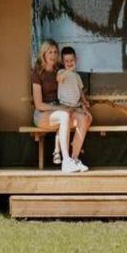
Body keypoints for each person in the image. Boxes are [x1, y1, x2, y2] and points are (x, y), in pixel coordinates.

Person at [31, 39, 88, 173]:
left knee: (84, 118)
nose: (53, 55)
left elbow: (72, 89)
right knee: (64, 116)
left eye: (55, 52)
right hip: (42, 115)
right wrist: (60, 108)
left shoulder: (59, 70)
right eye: (49, 52)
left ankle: (74, 159)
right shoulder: (37, 73)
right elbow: (39, 104)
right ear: (43, 54)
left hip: (62, 110)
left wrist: (82, 104)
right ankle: (66, 161)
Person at [53, 46, 92, 166]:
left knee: (88, 118)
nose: (69, 63)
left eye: (71, 60)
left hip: (76, 106)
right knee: (63, 122)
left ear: (76, 60)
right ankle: (57, 150)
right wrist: (69, 70)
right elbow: (59, 79)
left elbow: (80, 91)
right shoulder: (62, 73)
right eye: (67, 61)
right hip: (64, 106)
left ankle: (75, 152)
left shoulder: (77, 76)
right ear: (62, 62)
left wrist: (84, 101)